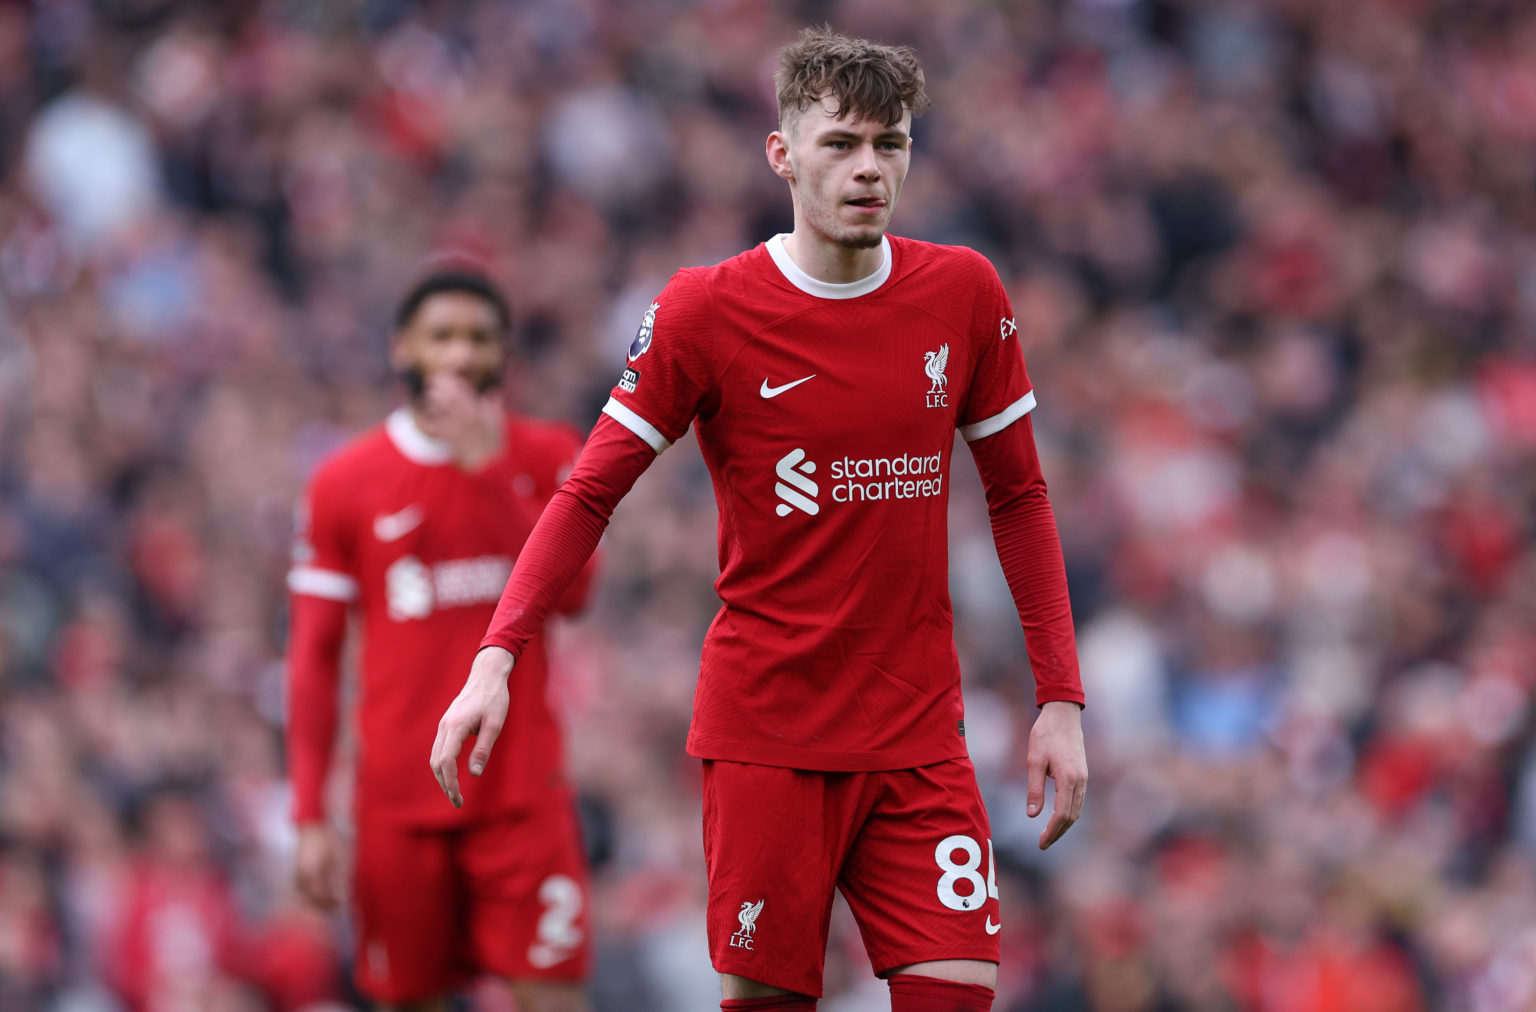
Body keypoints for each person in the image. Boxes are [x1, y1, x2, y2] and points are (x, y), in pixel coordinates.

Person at [432, 28, 1088, 1012]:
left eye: (891, 144)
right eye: (841, 144)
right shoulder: (707, 310)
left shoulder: (962, 293)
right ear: (782, 154)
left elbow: (1021, 496)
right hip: (768, 737)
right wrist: (497, 656)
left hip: (917, 736)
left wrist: (1061, 697)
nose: (869, 168)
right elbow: (588, 490)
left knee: (960, 993)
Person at [285, 267, 595, 1012]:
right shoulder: (344, 481)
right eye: (442, 336)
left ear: (504, 354)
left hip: (524, 796)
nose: (460, 355)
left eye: (479, 338)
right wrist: (308, 814)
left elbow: (577, 595)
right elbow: (313, 658)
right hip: (398, 802)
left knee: (554, 995)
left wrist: (488, 473)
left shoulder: (546, 454)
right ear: (404, 348)